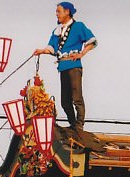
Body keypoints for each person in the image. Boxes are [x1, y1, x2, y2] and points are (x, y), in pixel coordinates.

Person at [33, 2, 97, 131]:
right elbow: (52, 48)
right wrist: (41, 51)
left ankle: (79, 126)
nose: (56, 14)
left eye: (59, 11)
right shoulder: (57, 31)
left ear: (67, 12)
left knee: (76, 97)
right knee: (65, 101)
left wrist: (82, 53)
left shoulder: (78, 26)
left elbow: (92, 41)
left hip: (74, 65)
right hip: (63, 66)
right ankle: (73, 124)